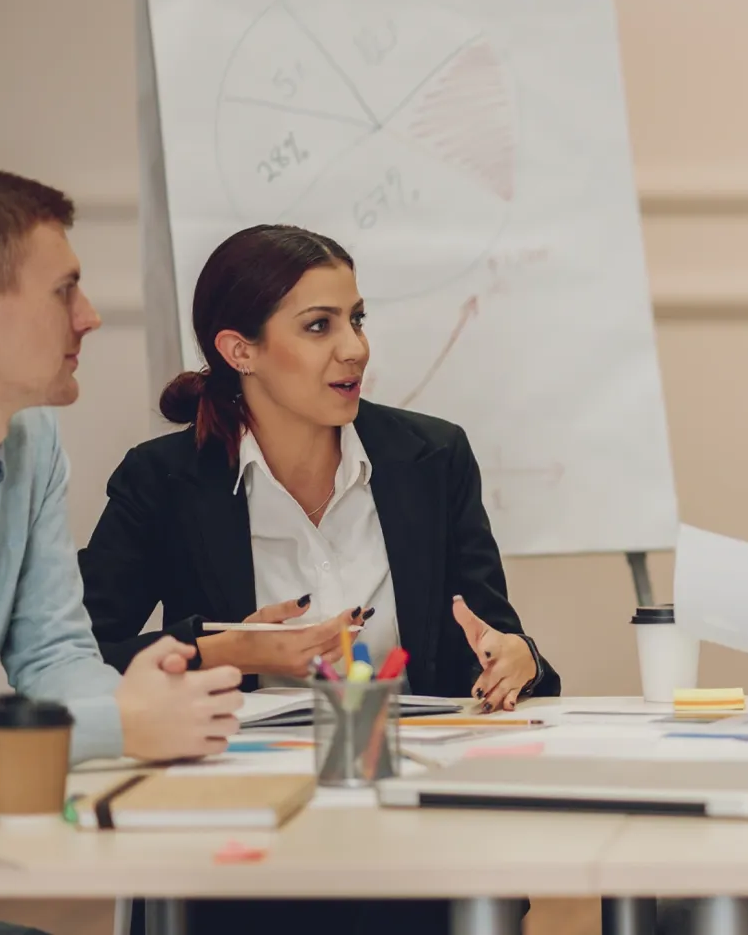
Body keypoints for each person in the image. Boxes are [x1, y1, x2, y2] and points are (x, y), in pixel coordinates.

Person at [80, 224, 559, 710]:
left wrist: (521, 660)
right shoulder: (161, 481)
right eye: (318, 326)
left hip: (415, 762)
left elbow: (495, 642)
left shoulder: (434, 458)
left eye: (356, 319)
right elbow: (73, 657)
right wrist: (225, 651)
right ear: (240, 351)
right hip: (241, 774)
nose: (355, 348)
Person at [0, 165, 243, 772]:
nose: (90, 316)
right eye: (64, 289)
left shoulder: (31, 438)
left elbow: (53, 654)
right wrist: (116, 723)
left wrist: (144, 701)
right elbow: (106, 725)